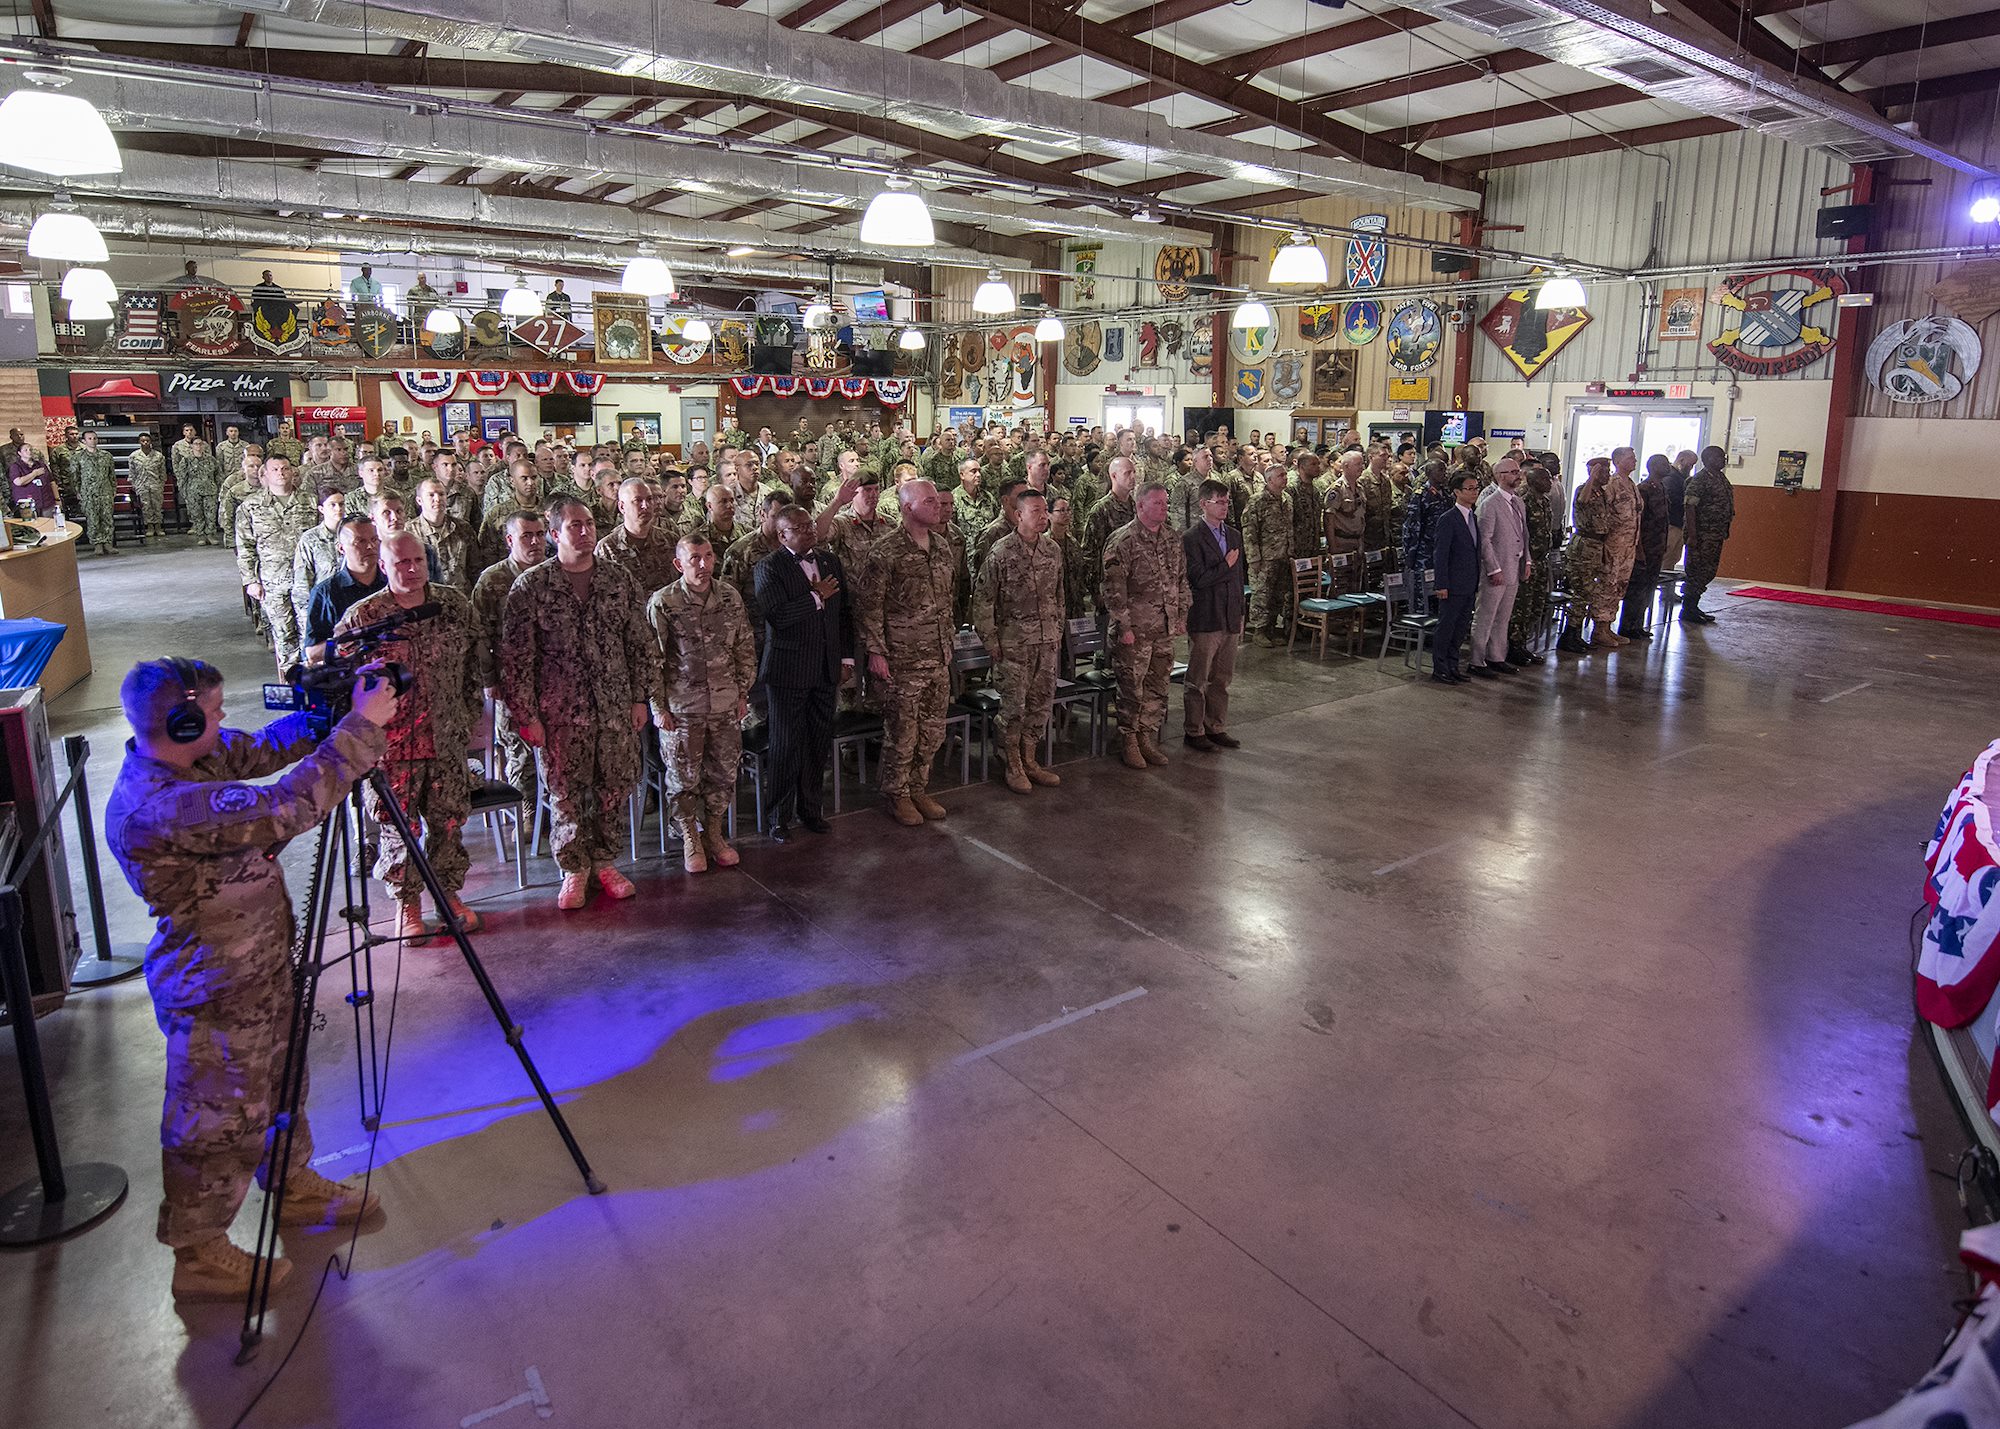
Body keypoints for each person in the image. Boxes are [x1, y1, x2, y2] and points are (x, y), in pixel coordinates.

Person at [104, 655, 397, 1301]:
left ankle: (291, 1182)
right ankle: (199, 1250)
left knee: (280, 1080)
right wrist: (360, 727)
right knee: (214, 1119)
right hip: (215, 981)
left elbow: (260, 748)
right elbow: (287, 805)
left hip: (258, 962)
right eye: (211, 712)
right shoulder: (168, 803)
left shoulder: (191, 759)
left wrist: (325, 710)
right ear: (180, 724)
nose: (222, 719)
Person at [502, 496, 654, 909]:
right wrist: (527, 716)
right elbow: (516, 659)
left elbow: (640, 643)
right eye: (574, 526)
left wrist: (641, 698)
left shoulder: (619, 580)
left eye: (589, 523)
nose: (585, 531)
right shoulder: (531, 586)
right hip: (559, 714)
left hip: (614, 707)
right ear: (554, 535)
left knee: (613, 788)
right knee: (565, 794)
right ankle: (573, 870)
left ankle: (605, 862)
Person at [334, 532, 480, 942]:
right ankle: (407, 904)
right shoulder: (365, 617)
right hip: (393, 749)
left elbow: (472, 666)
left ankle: (448, 896)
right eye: (401, 563)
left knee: (449, 823)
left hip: (447, 740)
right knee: (400, 830)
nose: (412, 569)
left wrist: (466, 717)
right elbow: (343, 684)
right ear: (384, 567)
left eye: (418, 560)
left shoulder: (452, 605)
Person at [647, 533, 755, 873]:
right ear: (679, 564)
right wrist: (657, 706)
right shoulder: (664, 602)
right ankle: (689, 836)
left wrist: (742, 693)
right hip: (683, 707)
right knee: (683, 778)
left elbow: (744, 648)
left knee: (723, 774)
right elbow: (652, 660)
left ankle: (714, 832)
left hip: (724, 702)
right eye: (695, 558)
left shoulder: (729, 597)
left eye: (708, 556)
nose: (704, 564)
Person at [859, 478, 958, 824]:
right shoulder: (885, 552)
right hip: (903, 659)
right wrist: (876, 652)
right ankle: (896, 793)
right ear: (907, 509)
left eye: (937, 500)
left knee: (933, 731)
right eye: (928, 501)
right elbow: (869, 607)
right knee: (902, 732)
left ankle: (919, 787)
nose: (937, 505)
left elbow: (949, 601)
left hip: (938, 653)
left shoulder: (943, 547)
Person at [753, 506, 853, 842]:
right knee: (785, 745)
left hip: (825, 668)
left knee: (817, 743)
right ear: (782, 535)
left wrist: (847, 659)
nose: (810, 530)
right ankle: (778, 817)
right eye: (800, 527)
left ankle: (811, 810)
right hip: (788, 671)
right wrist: (816, 596)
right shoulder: (769, 567)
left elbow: (844, 613)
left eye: (810, 524)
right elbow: (778, 616)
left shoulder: (829, 561)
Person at [974, 485, 1065, 797]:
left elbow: (1059, 596)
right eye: (1035, 511)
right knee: (1014, 707)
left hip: (1047, 641)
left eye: (1044, 510)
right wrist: (991, 641)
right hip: (1013, 645)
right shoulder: (1001, 552)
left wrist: (1058, 631)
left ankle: (1030, 758)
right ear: (1018, 515)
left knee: (1040, 705)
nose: (1042, 517)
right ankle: (1011, 762)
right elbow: (983, 601)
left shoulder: (1052, 550)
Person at [1101, 481, 1189, 771]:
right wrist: (1123, 626)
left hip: (1163, 627)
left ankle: (1147, 737)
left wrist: (1181, 616)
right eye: (1158, 503)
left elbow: (1181, 579)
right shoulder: (1123, 541)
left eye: (1165, 503)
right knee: (1131, 689)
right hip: (1134, 631)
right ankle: (1128, 740)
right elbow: (1114, 590)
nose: (1164, 508)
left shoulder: (1172, 538)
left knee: (1158, 685)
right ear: (1140, 506)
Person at [472, 509, 546, 805]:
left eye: (540, 535)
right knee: (519, 747)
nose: (535, 542)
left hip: (553, 676)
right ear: (509, 539)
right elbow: (478, 634)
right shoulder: (493, 580)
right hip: (510, 679)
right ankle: (526, 805)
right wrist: (489, 678)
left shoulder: (553, 573)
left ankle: (557, 809)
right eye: (527, 536)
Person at [1180, 479, 1245, 750]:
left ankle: (1216, 725)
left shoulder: (1233, 535)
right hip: (1206, 617)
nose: (1224, 507)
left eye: (1226, 501)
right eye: (1219, 502)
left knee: (1222, 678)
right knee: (1198, 679)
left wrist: (1241, 613)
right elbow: (1198, 579)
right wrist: (1225, 565)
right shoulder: (1191, 538)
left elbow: (1239, 578)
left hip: (1229, 615)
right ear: (1203, 504)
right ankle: (1194, 730)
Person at [237, 456, 316, 670]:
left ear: (292, 472)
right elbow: (245, 547)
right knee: (283, 636)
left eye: (285, 468)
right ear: (266, 474)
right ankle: (291, 684)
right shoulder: (251, 506)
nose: (281, 473)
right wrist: (251, 581)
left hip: (307, 581)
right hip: (273, 582)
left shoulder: (311, 501)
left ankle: (314, 682)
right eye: (275, 469)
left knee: (311, 634)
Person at [1468, 457, 1529, 678]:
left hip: (1514, 566)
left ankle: (1496, 656)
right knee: (1486, 615)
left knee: (1503, 617)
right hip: (1496, 570)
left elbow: (1524, 535)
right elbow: (1484, 540)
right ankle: (1476, 659)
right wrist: (1493, 569)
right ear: (1501, 476)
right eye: (1513, 472)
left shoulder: (1518, 502)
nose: (1518, 475)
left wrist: (1527, 560)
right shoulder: (1489, 504)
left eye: (1518, 471)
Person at [305, 514, 388, 650]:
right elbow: (312, 650)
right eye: (360, 541)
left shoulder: (392, 582)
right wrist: (347, 643)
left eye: (374, 539)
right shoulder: (326, 593)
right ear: (341, 548)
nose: (370, 546)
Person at [1430, 472, 1482, 685]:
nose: (1474, 492)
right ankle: (1440, 667)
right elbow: (1440, 554)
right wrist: (1441, 584)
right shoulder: (1448, 519)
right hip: (1452, 583)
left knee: (1461, 628)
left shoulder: (1473, 517)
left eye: (1476, 488)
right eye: (1469, 488)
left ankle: (1453, 665)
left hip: (1468, 582)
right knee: (1447, 627)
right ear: (1457, 492)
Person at [1560, 458, 1615, 654]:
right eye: (1603, 472)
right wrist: (1592, 476)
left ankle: (1575, 634)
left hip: (1597, 546)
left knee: (1588, 593)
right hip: (1583, 547)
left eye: (1608, 471)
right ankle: (1569, 635)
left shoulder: (1602, 493)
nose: (1607, 475)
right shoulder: (1584, 489)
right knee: (1581, 592)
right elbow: (1583, 501)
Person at [595, 475, 678, 596]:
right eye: (637, 501)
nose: (645, 506)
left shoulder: (670, 540)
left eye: (649, 499)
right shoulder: (607, 548)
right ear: (622, 507)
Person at [1619, 455, 1673, 640]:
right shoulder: (1644, 489)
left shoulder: (1661, 488)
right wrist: (1639, 549)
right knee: (1637, 588)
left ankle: (1637, 624)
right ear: (1653, 466)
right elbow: (1638, 523)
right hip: (1645, 546)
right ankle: (1627, 626)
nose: (1668, 467)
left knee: (1648, 587)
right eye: (1664, 464)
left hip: (1657, 547)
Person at [1681, 446, 1735, 625]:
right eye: (1720, 456)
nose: (1723, 459)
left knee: (1708, 570)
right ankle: (1688, 609)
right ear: (1709, 458)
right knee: (1696, 571)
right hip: (1702, 535)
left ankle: (1694, 606)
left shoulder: (1719, 477)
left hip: (1715, 534)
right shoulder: (1700, 479)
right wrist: (1693, 535)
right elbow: (1690, 507)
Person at [1242, 464, 1292, 647]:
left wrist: (1290, 551)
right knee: (1262, 595)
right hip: (1264, 558)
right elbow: (1249, 532)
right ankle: (1259, 631)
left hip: (1283, 555)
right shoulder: (1257, 501)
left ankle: (1271, 629)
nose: (1285, 478)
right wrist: (1253, 558)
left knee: (1279, 595)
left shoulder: (1286, 499)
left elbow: (1289, 528)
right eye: (1281, 475)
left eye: (1286, 475)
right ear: (1270, 480)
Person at [291, 482, 349, 638]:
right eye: (333, 505)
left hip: (350, 605)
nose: (338, 509)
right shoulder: (310, 539)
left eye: (341, 504)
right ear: (321, 509)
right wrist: (308, 618)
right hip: (324, 606)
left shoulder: (352, 535)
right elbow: (303, 583)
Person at [413, 476, 477, 592]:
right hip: (427, 598)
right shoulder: (409, 532)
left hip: (460, 597)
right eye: (431, 495)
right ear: (419, 500)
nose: (437, 499)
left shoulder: (463, 528)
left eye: (441, 494)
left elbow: (475, 568)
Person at [7, 437, 56, 517]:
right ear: (19, 453)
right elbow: (18, 482)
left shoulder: (40, 464)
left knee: (49, 525)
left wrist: (57, 499)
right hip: (28, 505)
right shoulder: (15, 467)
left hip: (47, 502)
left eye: (30, 449)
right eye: (25, 450)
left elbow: (51, 481)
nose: (29, 452)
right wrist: (34, 474)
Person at [1665, 449, 1696, 571]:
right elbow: (1673, 501)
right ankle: (1665, 588)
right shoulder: (1670, 478)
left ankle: (1668, 588)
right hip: (1671, 523)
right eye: (1690, 464)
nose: (1691, 468)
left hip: (1679, 524)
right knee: (1668, 557)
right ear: (1681, 460)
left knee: (1673, 557)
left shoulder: (1681, 478)